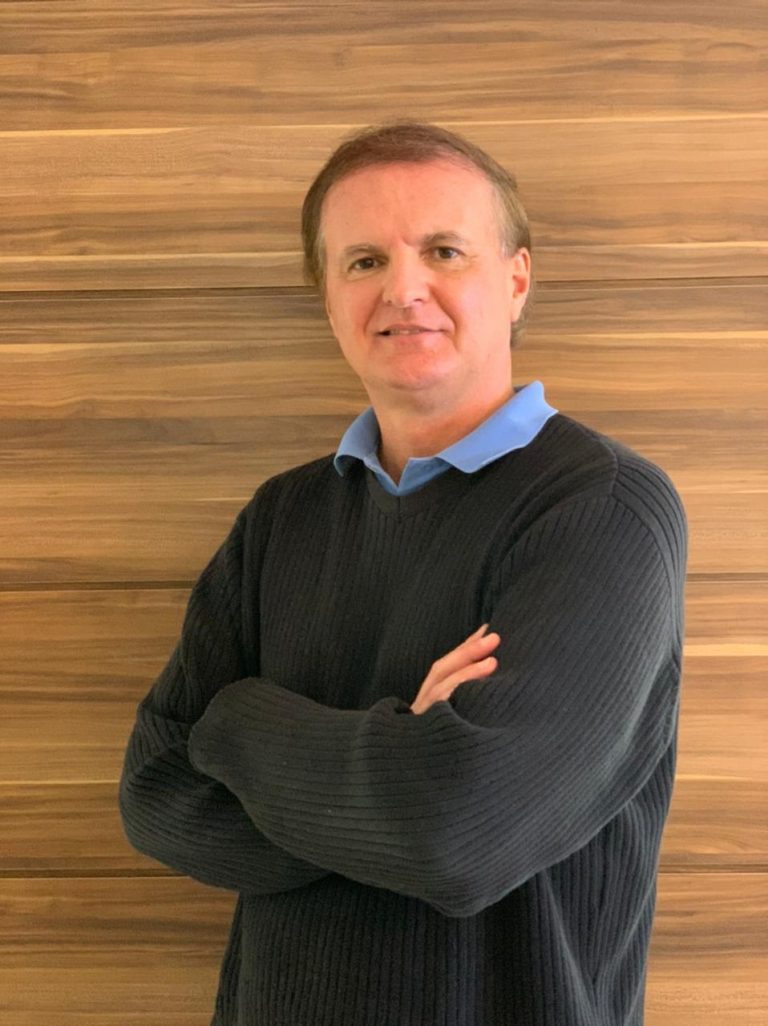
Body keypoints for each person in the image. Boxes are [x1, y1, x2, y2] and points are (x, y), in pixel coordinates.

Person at [119, 121, 687, 1026]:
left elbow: (460, 837)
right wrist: (404, 765)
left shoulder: (602, 509)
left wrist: (238, 721)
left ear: (517, 279)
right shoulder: (282, 517)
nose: (403, 288)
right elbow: (155, 793)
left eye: (444, 251)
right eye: (364, 261)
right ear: (328, 296)